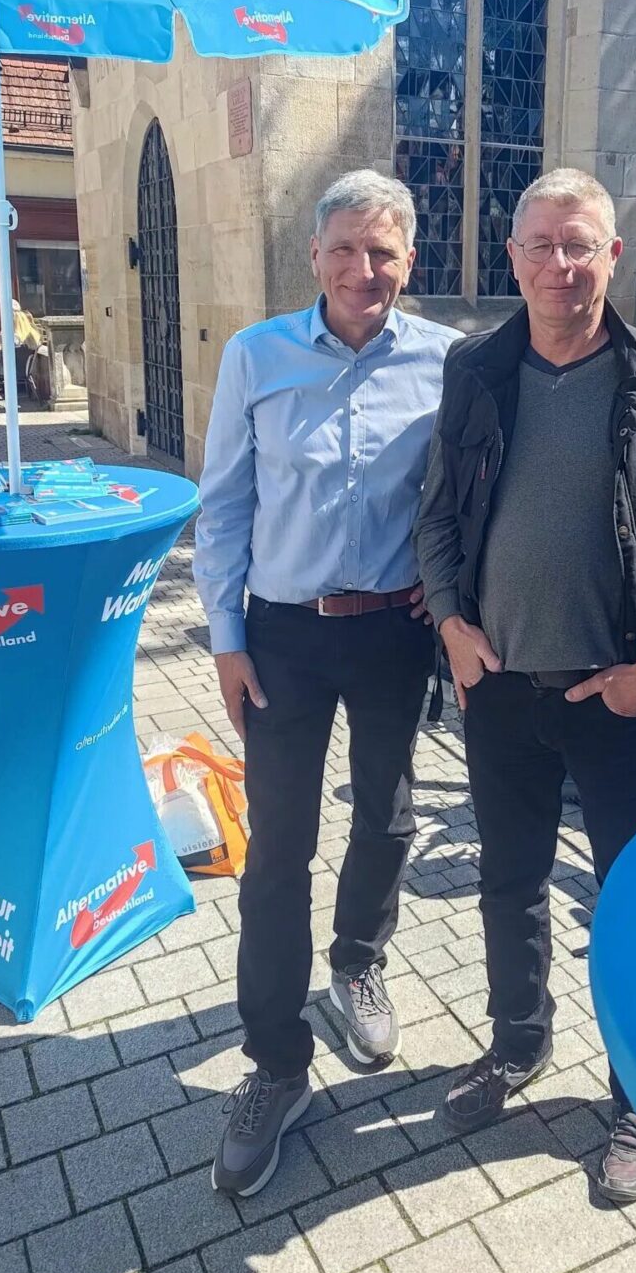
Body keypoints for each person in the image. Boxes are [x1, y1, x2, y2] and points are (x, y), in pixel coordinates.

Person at [415, 167, 636, 1203]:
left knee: (632, 903)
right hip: (499, 687)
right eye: (541, 245)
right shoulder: (475, 369)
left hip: (620, 699)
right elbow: (437, 513)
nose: (560, 264)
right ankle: (517, 1043)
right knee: (507, 880)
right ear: (513, 258)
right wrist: (452, 625)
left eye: (579, 244)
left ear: (613, 255)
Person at [195, 169, 459, 1199]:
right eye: (344, 248)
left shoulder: (446, 361)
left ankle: (357, 962)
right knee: (279, 848)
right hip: (283, 637)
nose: (363, 269)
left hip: (394, 629)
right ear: (313, 255)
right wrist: (226, 639)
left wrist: (449, 588)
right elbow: (224, 507)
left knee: (388, 815)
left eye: (382, 251)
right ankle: (274, 1061)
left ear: (409, 260)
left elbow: (459, 499)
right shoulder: (255, 356)